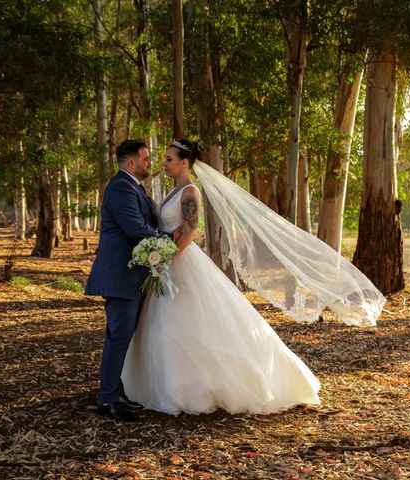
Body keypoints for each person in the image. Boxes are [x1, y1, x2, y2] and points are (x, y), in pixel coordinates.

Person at [121, 139, 322, 415]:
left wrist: (166, 259)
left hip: (180, 261)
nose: (164, 163)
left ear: (184, 163)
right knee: (163, 325)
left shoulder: (190, 192)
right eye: (165, 159)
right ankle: (165, 383)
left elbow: (189, 233)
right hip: (165, 261)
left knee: (193, 324)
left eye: (169, 159)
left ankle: (200, 388)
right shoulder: (172, 191)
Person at [85, 139, 164, 421]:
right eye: (144, 158)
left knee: (122, 336)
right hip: (121, 274)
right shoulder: (120, 187)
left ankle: (116, 392)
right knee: (118, 337)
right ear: (130, 163)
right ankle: (107, 400)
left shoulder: (133, 186)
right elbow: (135, 227)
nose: (148, 163)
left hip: (133, 274)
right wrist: (168, 241)